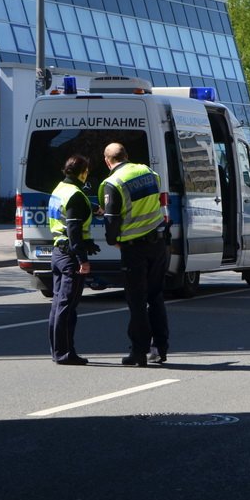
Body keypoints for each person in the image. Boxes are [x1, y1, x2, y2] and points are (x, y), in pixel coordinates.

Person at [99, 143, 169, 367]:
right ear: (127, 155)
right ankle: (161, 347)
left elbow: (112, 220)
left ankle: (139, 352)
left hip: (134, 248)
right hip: (158, 243)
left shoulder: (113, 182)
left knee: (137, 301)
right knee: (156, 296)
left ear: (107, 161)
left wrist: (114, 241)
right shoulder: (150, 173)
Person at [47, 154, 100, 365]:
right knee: (67, 307)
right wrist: (82, 258)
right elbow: (74, 229)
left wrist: (93, 210)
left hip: (58, 254)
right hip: (70, 257)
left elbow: (70, 219)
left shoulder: (60, 189)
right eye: (87, 171)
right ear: (83, 172)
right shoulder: (76, 195)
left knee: (58, 305)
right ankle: (65, 353)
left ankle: (57, 351)